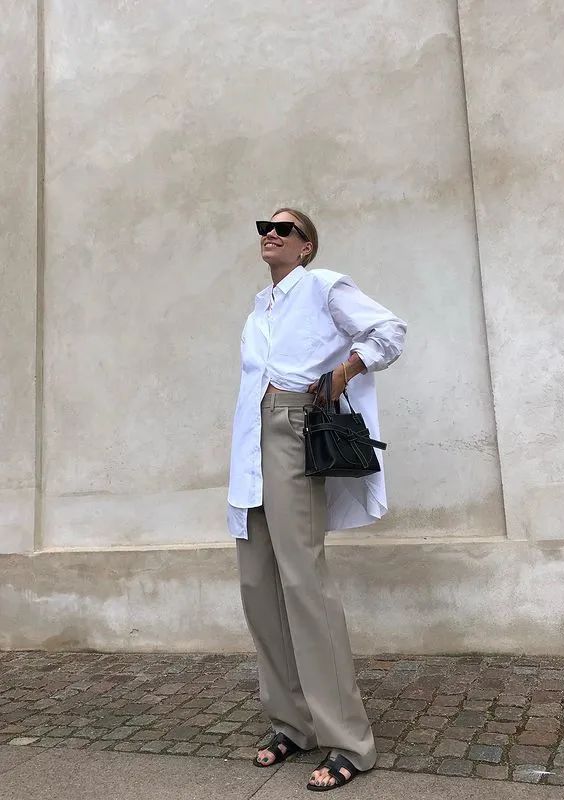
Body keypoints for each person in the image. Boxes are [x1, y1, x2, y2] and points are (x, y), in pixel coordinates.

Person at [227, 207, 407, 791]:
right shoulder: (260, 306)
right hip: (251, 438)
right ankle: (292, 723)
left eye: (284, 229)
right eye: (265, 227)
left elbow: (389, 331)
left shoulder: (324, 286)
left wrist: (344, 373)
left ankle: (348, 740)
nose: (270, 234)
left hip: (293, 427)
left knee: (305, 583)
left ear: (306, 246)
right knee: (258, 585)